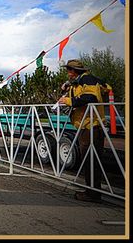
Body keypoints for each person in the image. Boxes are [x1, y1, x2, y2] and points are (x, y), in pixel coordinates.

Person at [58, 59, 111, 203]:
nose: (68, 74)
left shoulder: (87, 79)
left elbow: (90, 97)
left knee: (91, 161)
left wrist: (68, 101)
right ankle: (91, 191)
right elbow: (104, 86)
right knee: (89, 161)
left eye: (69, 71)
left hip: (91, 125)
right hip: (86, 126)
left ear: (73, 71)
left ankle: (93, 194)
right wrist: (66, 88)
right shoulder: (81, 81)